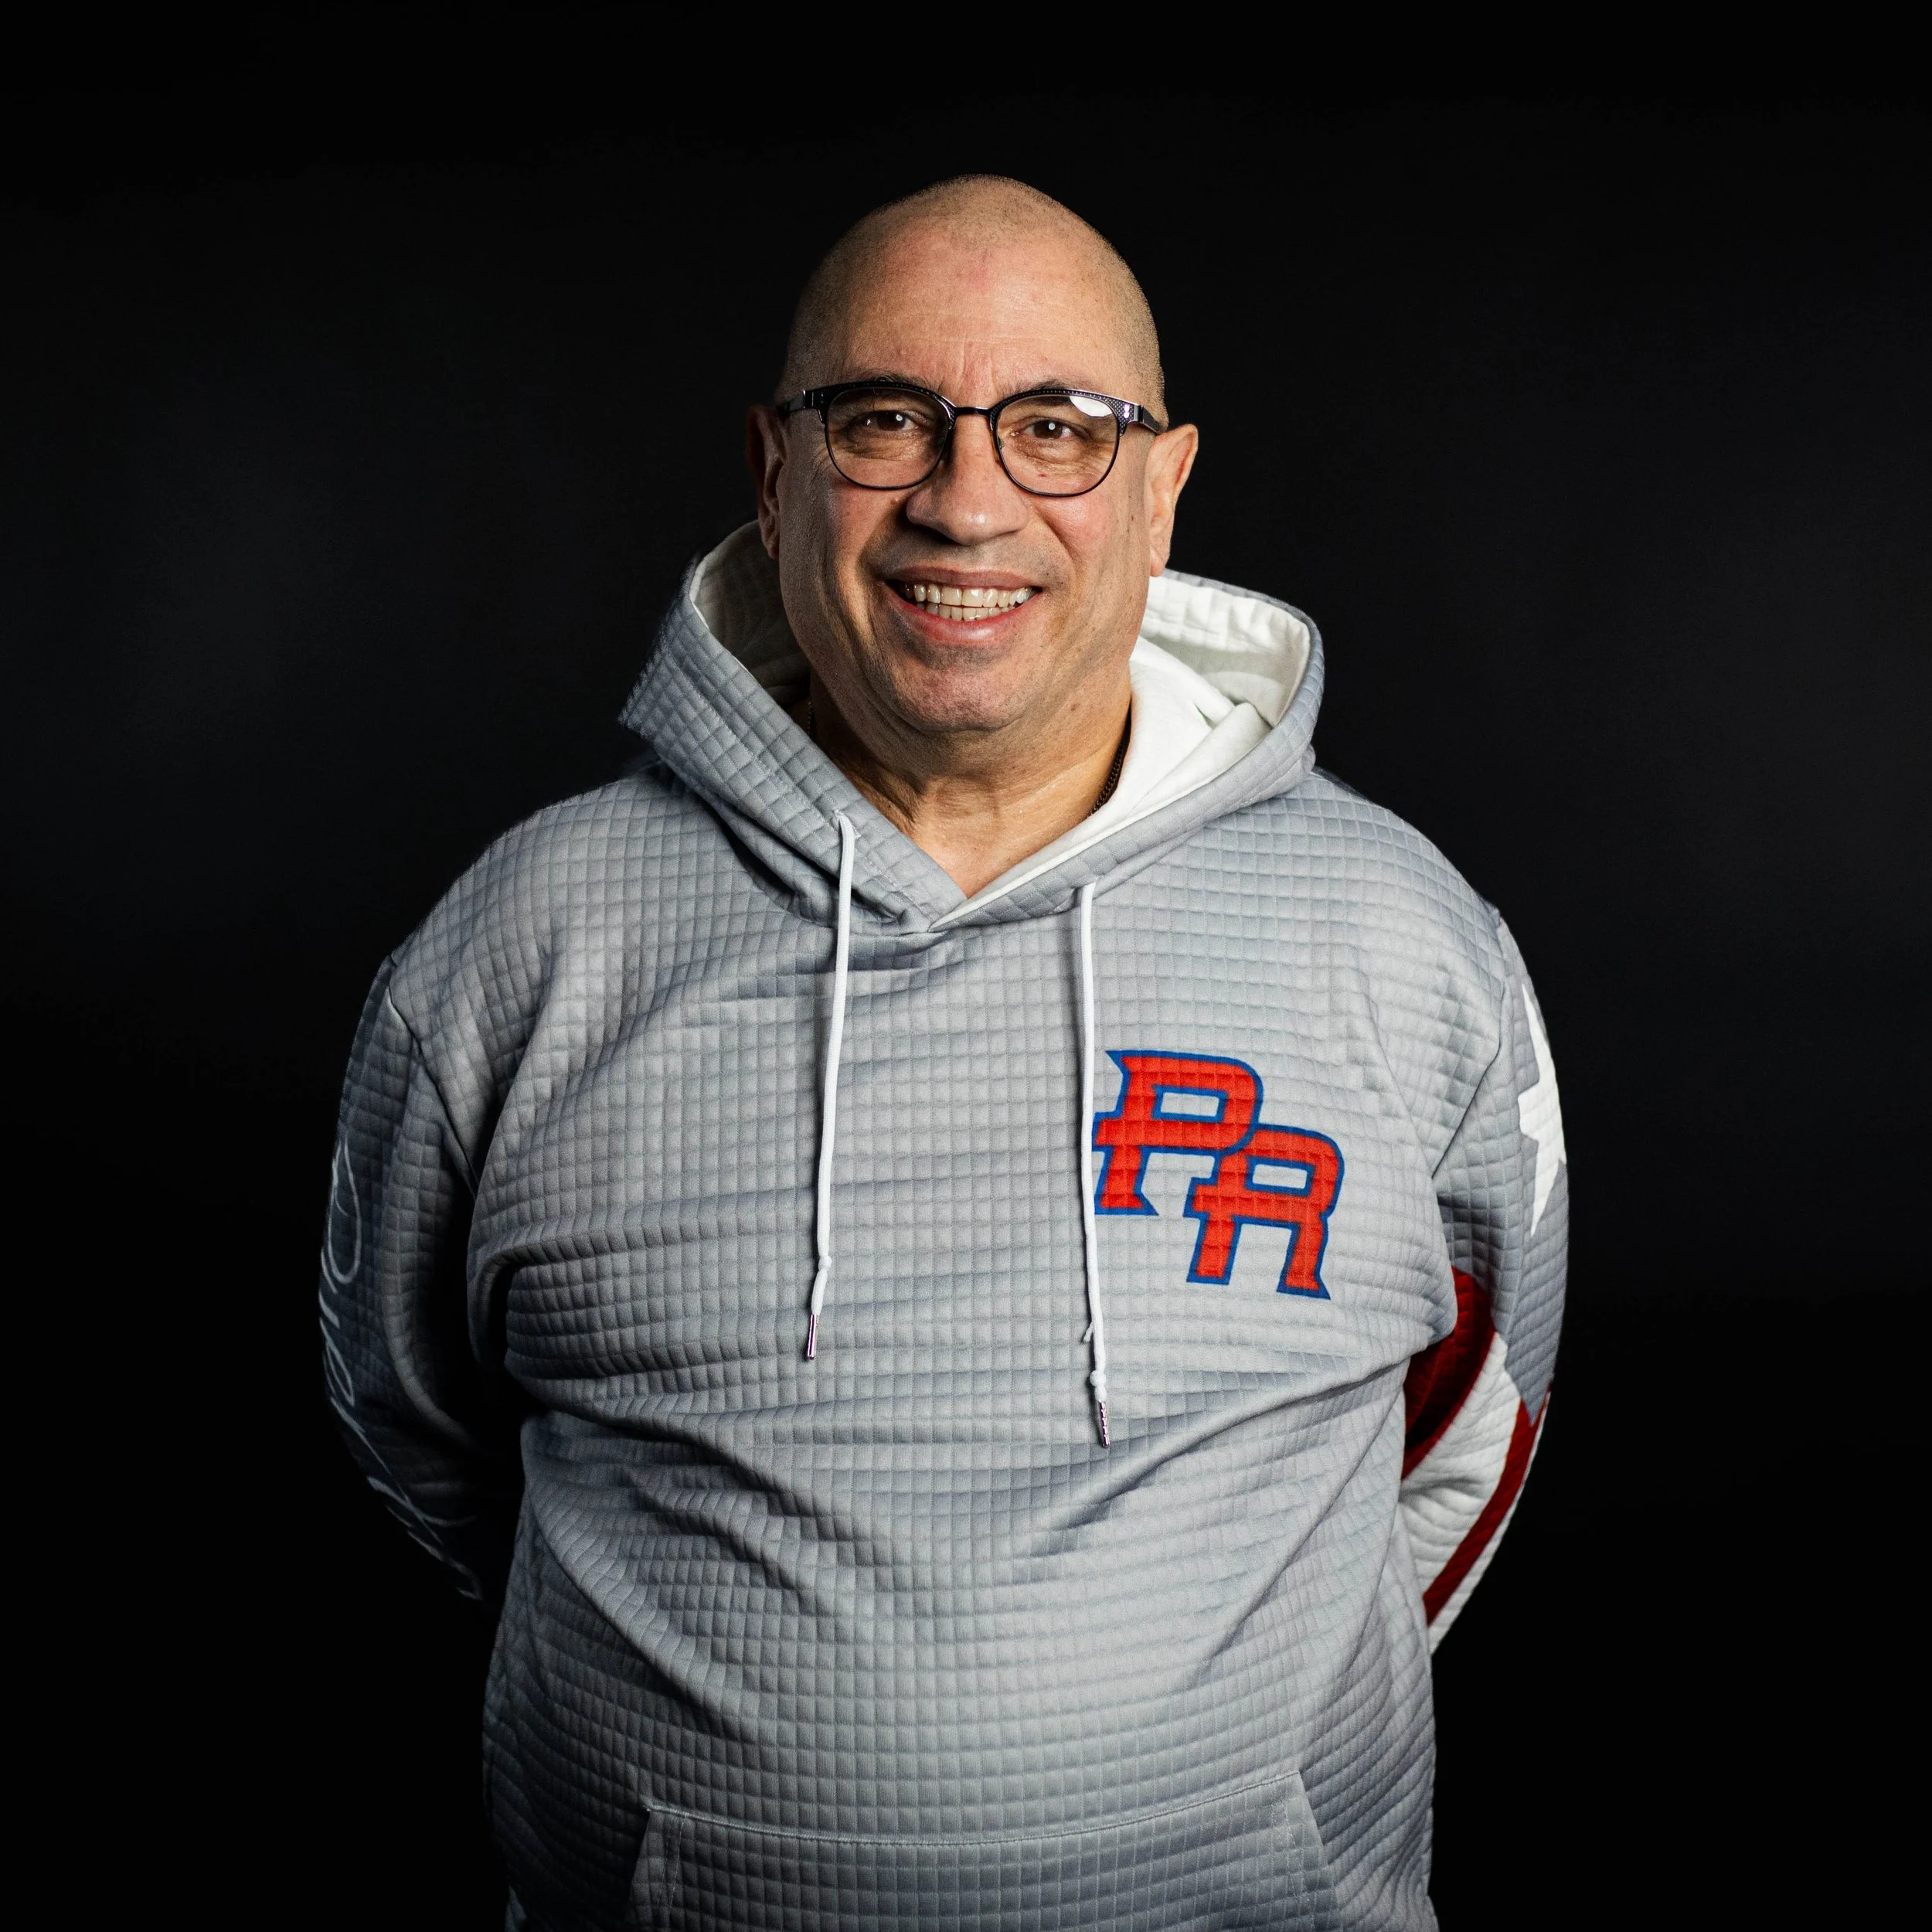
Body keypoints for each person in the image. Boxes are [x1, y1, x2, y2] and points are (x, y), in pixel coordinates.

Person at [320, 175, 1566, 1931]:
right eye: (887, 417)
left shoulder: (1398, 937)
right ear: (774, 472)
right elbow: (420, 1422)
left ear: (1160, 489)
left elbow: (1465, 1424)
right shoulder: (522, 945)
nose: (966, 499)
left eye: (1057, 427)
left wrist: (1235, 1770)